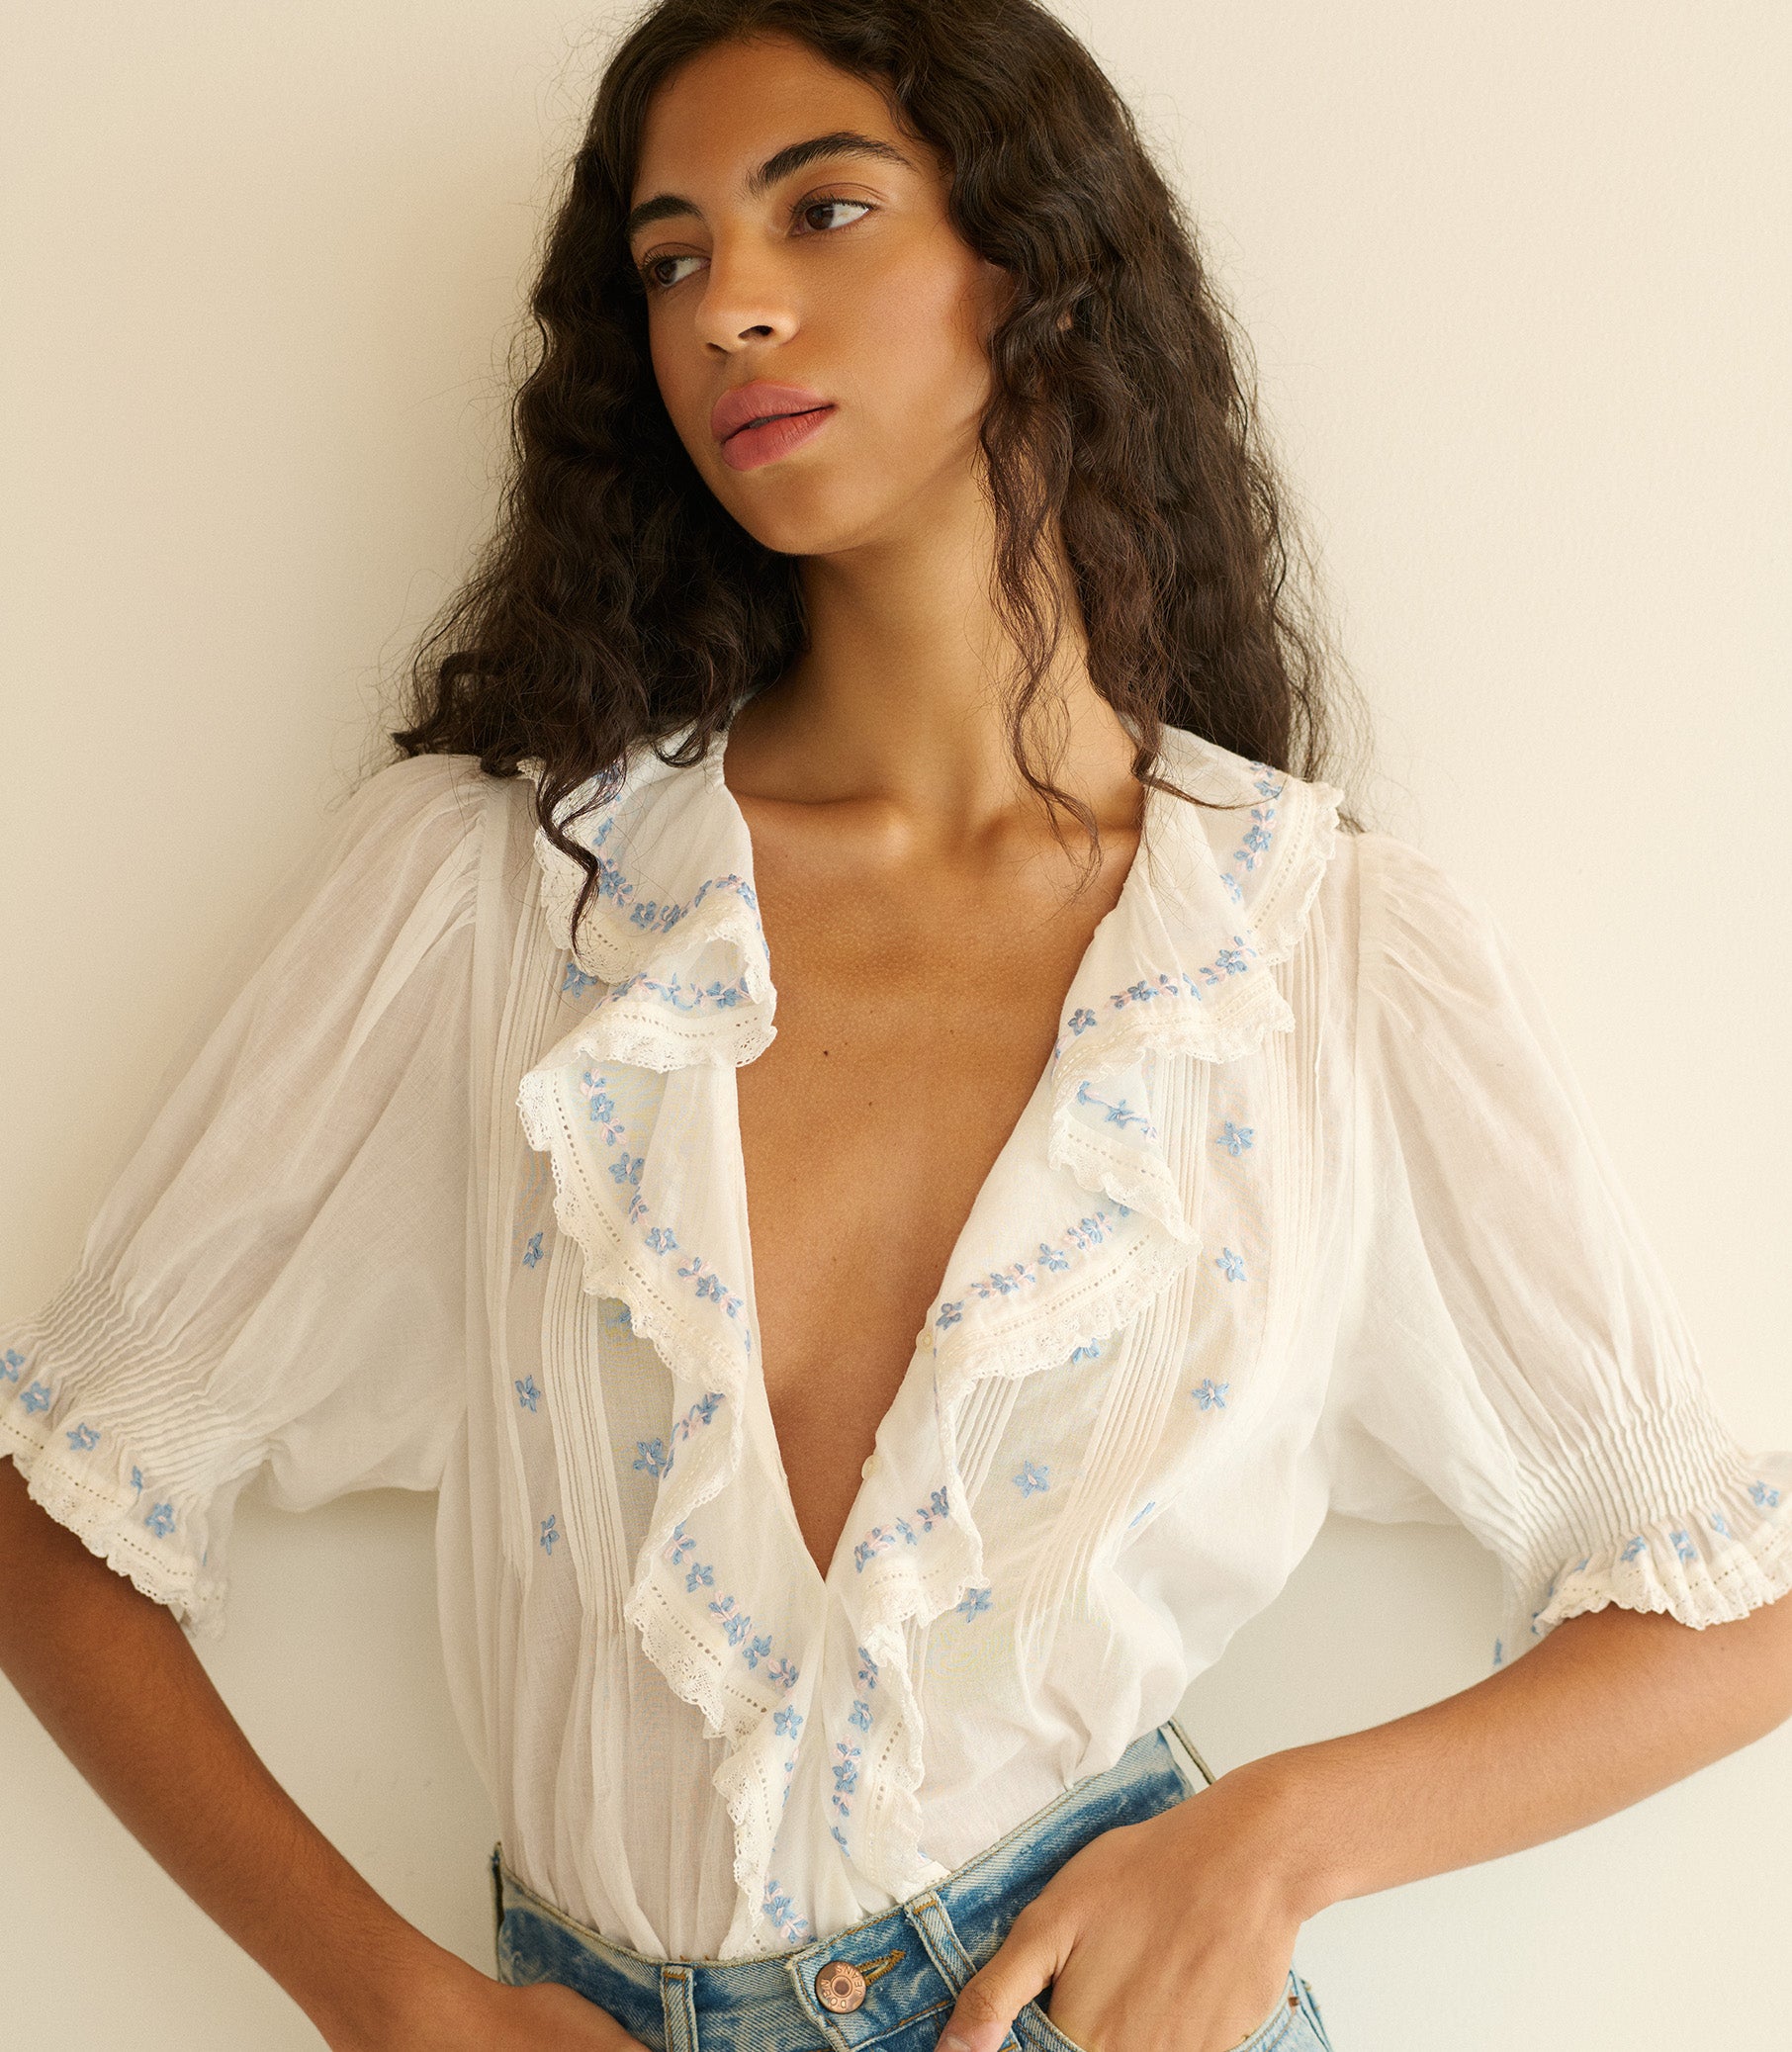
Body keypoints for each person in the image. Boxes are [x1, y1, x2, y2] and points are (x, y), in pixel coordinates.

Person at [3, 2, 1789, 2049]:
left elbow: (1723, 1608)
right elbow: (54, 1522)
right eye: (672, 259)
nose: (731, 310)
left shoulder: (1314, 958)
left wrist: (1277, 1839)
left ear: (1033, 265)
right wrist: (392, 2004)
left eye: (820, 211)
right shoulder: (500, 900)